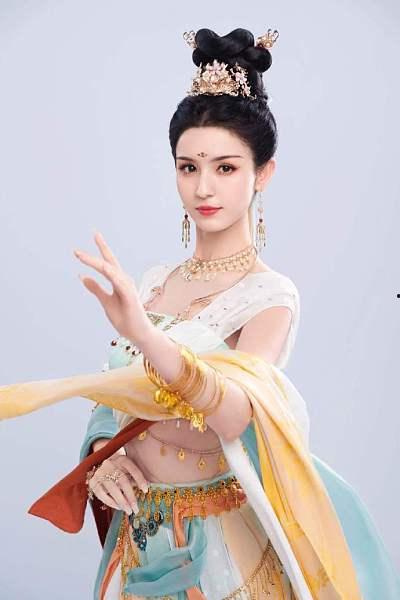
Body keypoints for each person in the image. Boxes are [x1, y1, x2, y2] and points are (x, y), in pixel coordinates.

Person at [1, 27, 399, 600]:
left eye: (226, 168)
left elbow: (236, 415)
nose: (203, 188)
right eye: (188, 167)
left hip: (221, 544)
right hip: (139, 535)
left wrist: (144, 333)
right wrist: (101, 459)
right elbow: (117, 399)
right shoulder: (156, 282)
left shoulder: (270, 296)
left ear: (264, 173)